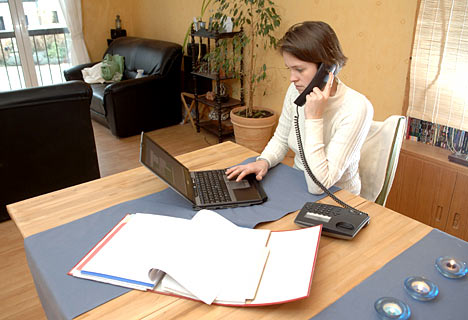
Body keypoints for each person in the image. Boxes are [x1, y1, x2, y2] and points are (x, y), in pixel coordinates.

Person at [226, 21, 374, 195]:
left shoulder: (357, 107)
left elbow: (319, 186)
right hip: (297, 183)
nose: (292, 78)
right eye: (289, 69)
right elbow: (281, 139)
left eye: (299, 69)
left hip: (337, 197)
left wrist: (314, 118)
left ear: (327, 68)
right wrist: (263, 161)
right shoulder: (296, 91)